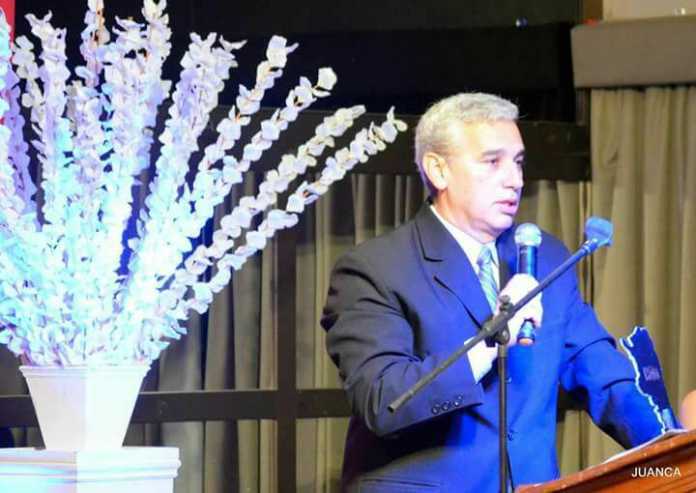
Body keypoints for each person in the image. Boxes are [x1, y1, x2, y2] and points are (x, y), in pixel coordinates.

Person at [321, 93, 664, 492]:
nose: (515, 179)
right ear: (438, 170)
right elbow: (384, 400)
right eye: (492, 162)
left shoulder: (547, 258)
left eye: (518, 162)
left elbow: (604, 377)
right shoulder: (375, 269)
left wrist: (672, 445)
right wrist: (494, 334)